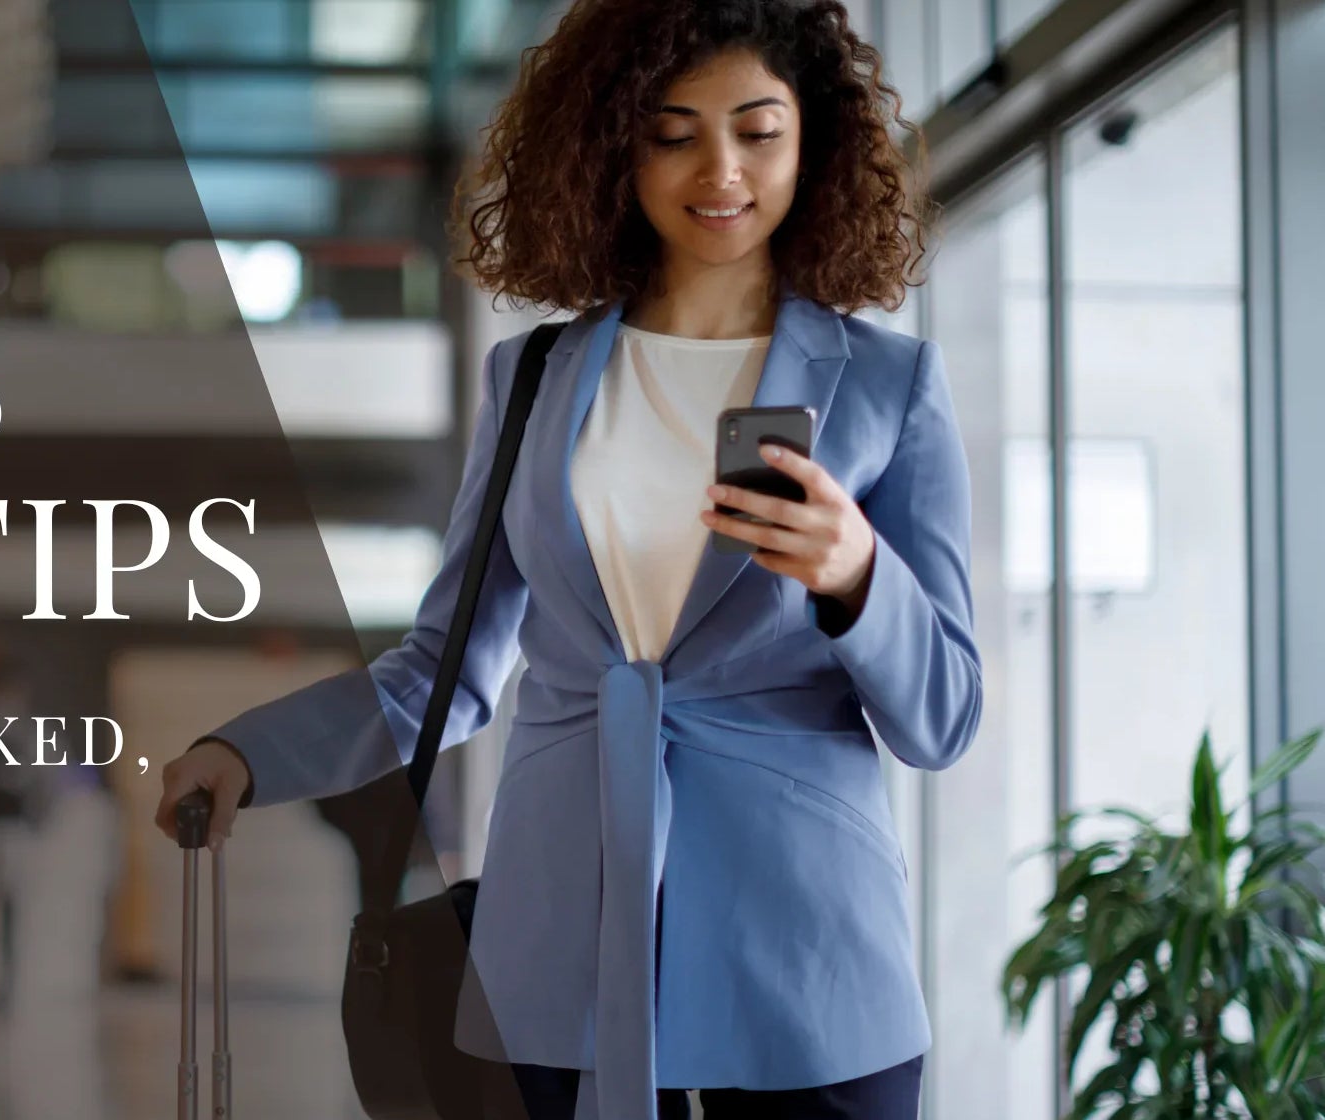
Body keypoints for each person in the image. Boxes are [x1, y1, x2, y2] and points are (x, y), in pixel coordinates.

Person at [153, 2, 979, 1118]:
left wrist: (856, 573)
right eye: (672, 131)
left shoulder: (887, 388)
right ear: (611, 147)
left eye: (756, 129)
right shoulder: (534, 379)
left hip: (798, 941)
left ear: (812, 141)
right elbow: (444, 664)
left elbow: (943, 717)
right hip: (559, 938)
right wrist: (248, 753)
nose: (718, 169)